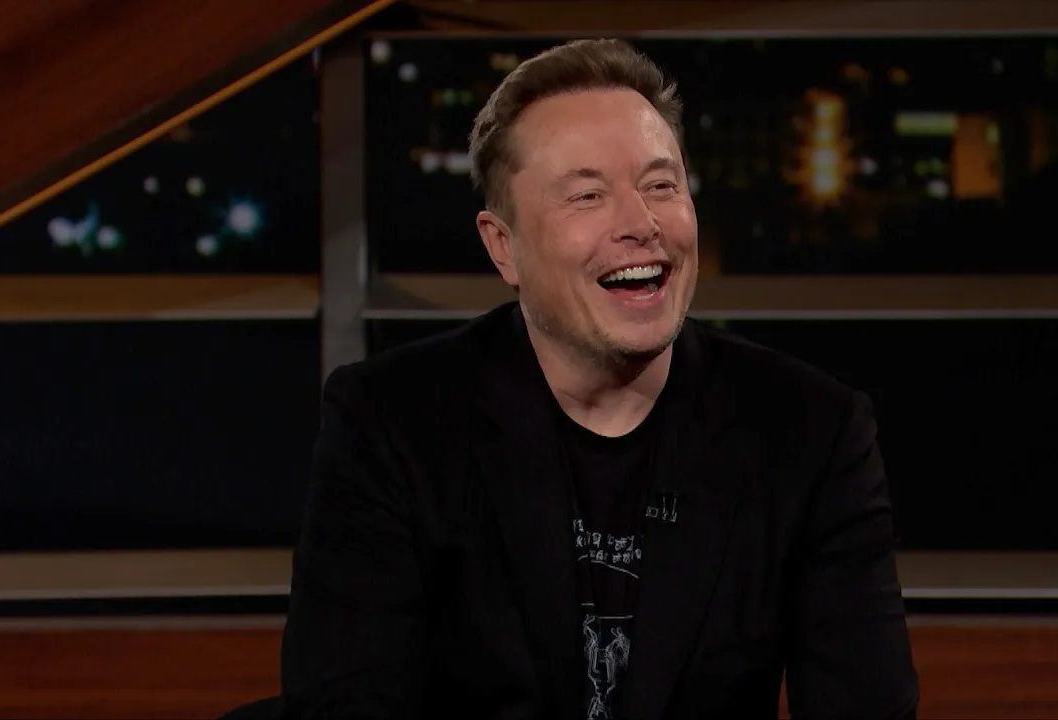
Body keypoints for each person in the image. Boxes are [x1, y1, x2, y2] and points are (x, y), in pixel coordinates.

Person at [279, 38, 919, 720]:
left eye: (661, 186)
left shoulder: (810, 432)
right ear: (503, 246)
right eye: (588, 196)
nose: (642, 224)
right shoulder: (390, 424)